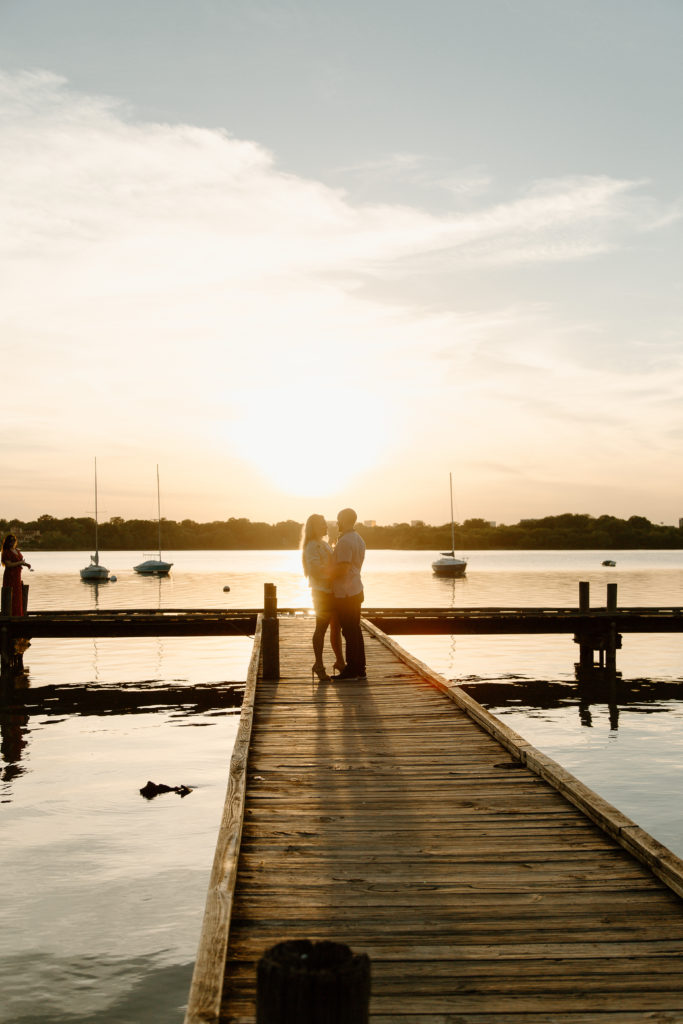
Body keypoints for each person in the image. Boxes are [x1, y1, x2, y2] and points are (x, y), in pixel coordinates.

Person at [301, 514, 345, 682]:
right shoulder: (312, 546)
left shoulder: (324, 544)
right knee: (321, 628)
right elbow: (315, 570)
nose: (326, 527)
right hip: (321, 593)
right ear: (314, 527)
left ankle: (340, 661)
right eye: (322, 524)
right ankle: (318, 665)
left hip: (331, 592)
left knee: (336, 627)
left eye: (325, 524)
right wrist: (334, 575)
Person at [332, 508, 366, 680]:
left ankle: (352, 670)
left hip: (346, 593)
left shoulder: (345, 541)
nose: (337, 522)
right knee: (355, 631)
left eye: (338, 519)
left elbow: (343, 569)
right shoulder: (358, 539)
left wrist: (324, 573)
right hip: (356, 589)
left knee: (349, 631)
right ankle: (360, 669)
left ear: (344, 520)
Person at [1, 534, 31, 616]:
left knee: (18, 595)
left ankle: (19, 614)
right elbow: (8, 565)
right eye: (11, 541)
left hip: (17, 575)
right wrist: (20, 563)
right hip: (10, 575)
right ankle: (11, 615)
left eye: (14, 540)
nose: (12, 542)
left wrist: (26, 564)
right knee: (12, 594)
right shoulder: (6, 552)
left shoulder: (17, 550)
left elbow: (20, 561)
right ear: (7, 542)